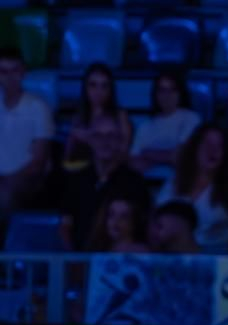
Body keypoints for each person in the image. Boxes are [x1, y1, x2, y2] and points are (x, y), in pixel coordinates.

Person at [156, 123, 228, 251]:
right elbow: (157, 220)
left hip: (218, 257)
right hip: (176, 256)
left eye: (219, 146)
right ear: (194, 149)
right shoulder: (174, 182)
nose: (213, 150)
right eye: (207, 144)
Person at [59, 113, 149, 251]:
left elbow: (142, 231)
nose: (104, 141)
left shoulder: (136, 182)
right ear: (90, 140)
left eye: (111, 136)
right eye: (98, 136)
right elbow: (65, 225)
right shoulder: (75, 181)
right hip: (81, 259)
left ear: (120, 141)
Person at [0, 46, 53, 218]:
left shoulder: (38, 107)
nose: (10, 77)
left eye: (14, 70)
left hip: (25, 180)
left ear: (23, 72)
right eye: (4, 72)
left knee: (5, 194)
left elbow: (38, 161)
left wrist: (8, 179)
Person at [63, 63, 132, 173]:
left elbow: (124, 153)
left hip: (112, 173)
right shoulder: (78, 118)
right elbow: (68, 155)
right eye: (93, 85)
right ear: (85, 87)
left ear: (110, 89)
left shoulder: (120, 115)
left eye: (104, 86)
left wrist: (90, 138)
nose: (98, 92)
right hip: (80, 173)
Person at [130, 71, 202, 173]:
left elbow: (180, 157)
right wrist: (166, 157)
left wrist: (147, 153)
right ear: (155, 94)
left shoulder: (191, 118)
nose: (167, 95)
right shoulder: (145, 126)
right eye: (162, 90)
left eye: (172, 90)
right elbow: (134, 163)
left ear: (180, 93)